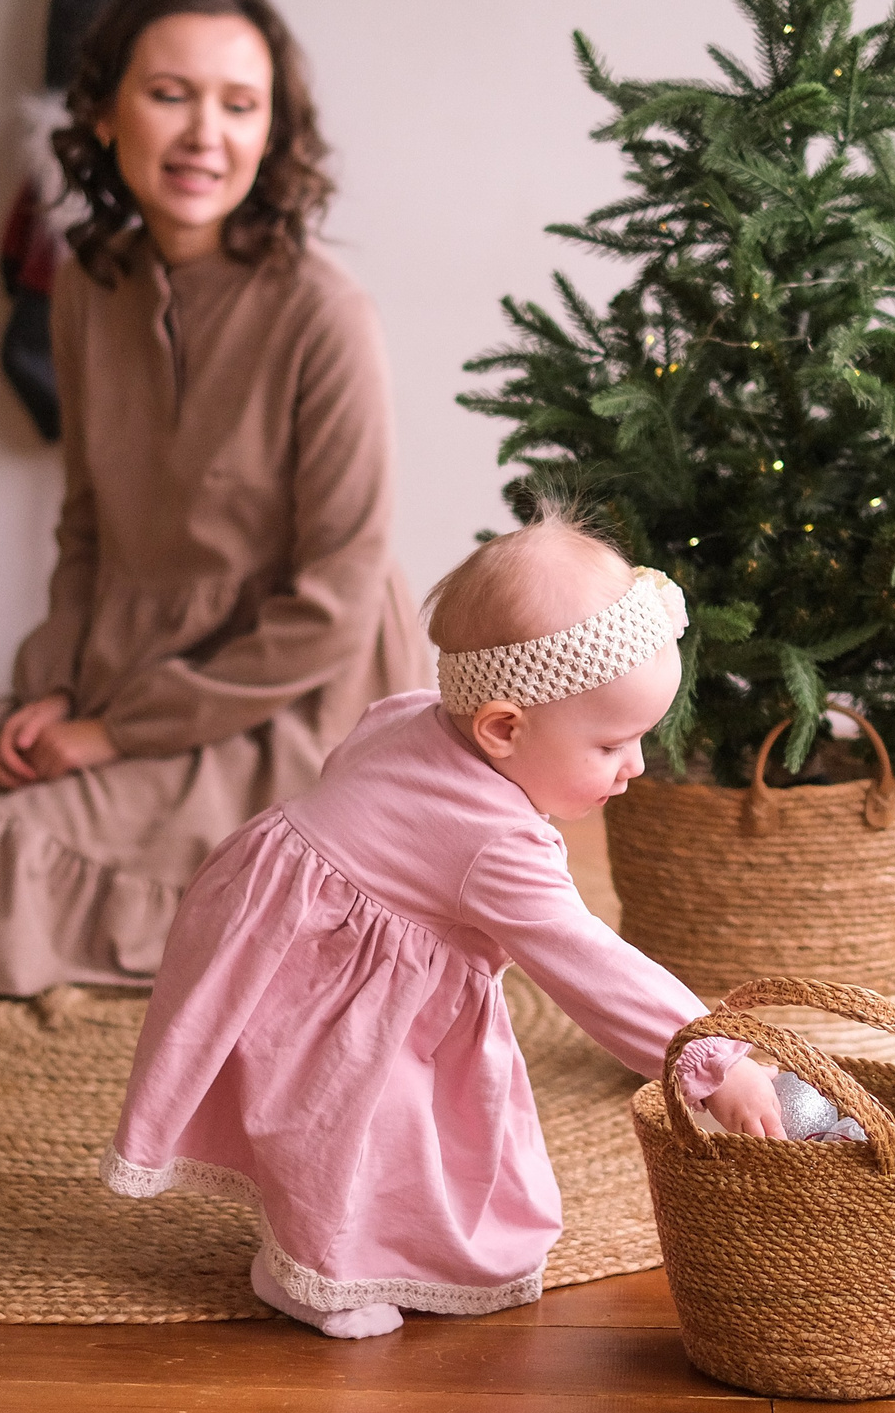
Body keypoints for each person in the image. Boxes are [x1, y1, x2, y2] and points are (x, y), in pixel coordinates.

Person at [0, 0, 425, 995]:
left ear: (273, 134)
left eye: (239, 104)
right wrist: (52, 689)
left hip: (289, 692)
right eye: (170, 94)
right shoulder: (87, 285)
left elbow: (335, 605)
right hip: (129, 655)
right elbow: (84, 529)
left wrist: (109, 735)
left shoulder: (323, 312)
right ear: (102, 111)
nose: (202, 135)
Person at [102, 511, 789, 1339]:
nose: (637, 765)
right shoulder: (497, 843)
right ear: (503, 728)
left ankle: (352, 1243)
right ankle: (321, 1274)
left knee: (362, 1110)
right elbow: (593, 966)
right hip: (327, 965)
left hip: (271, 910)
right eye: (615, 743)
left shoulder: (415, 709)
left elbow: (353, 776)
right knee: (356, 1111)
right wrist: (711, 1059)